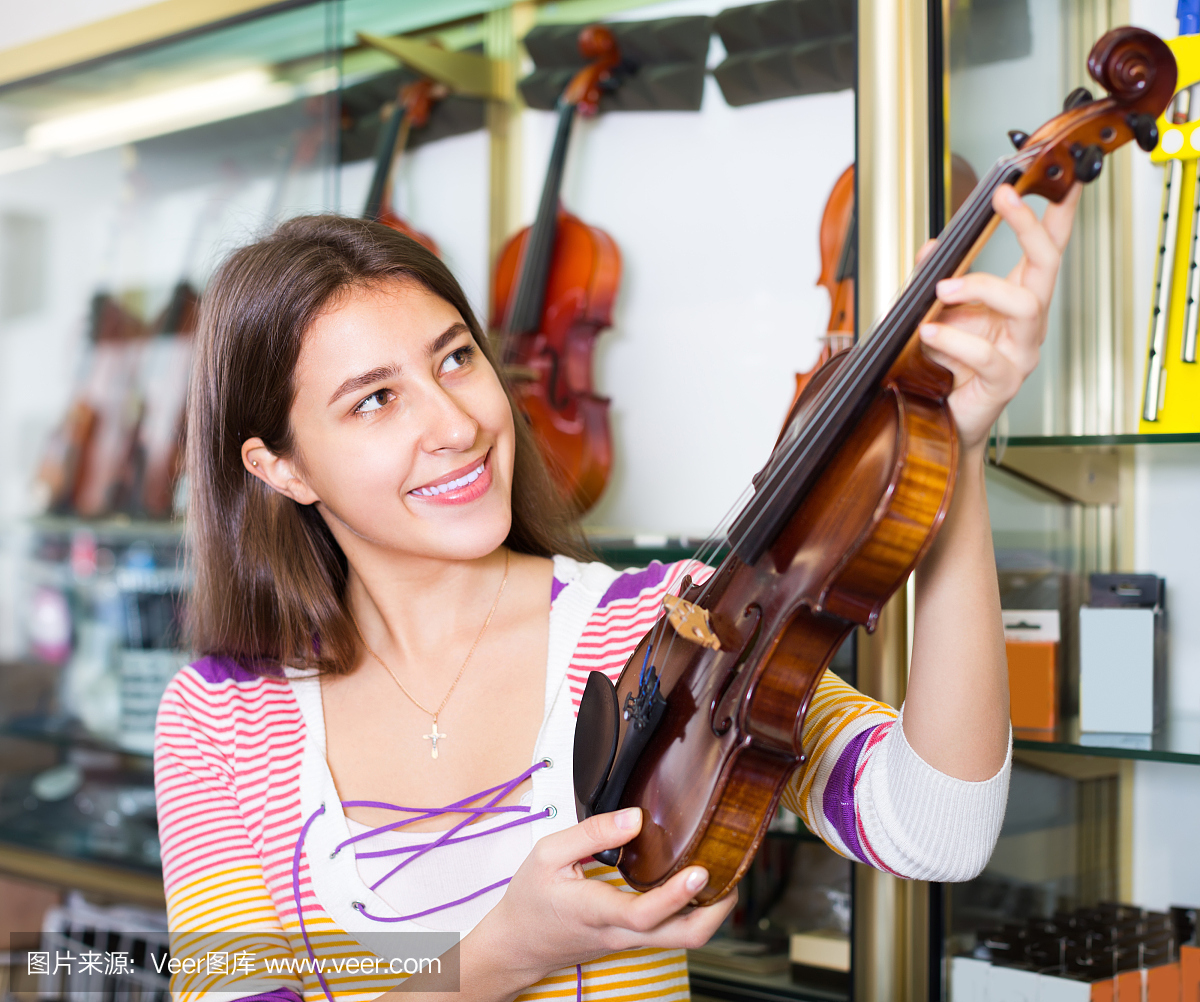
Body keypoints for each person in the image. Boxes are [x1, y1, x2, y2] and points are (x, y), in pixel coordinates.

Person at [154, 180, 1079, 1002]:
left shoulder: (663, 626)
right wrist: (506, 954)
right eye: (374, 399)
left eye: (455, 358)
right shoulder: (220, 717)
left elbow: (933, 829)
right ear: (279, 467)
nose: (456, 423)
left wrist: (946, 453)